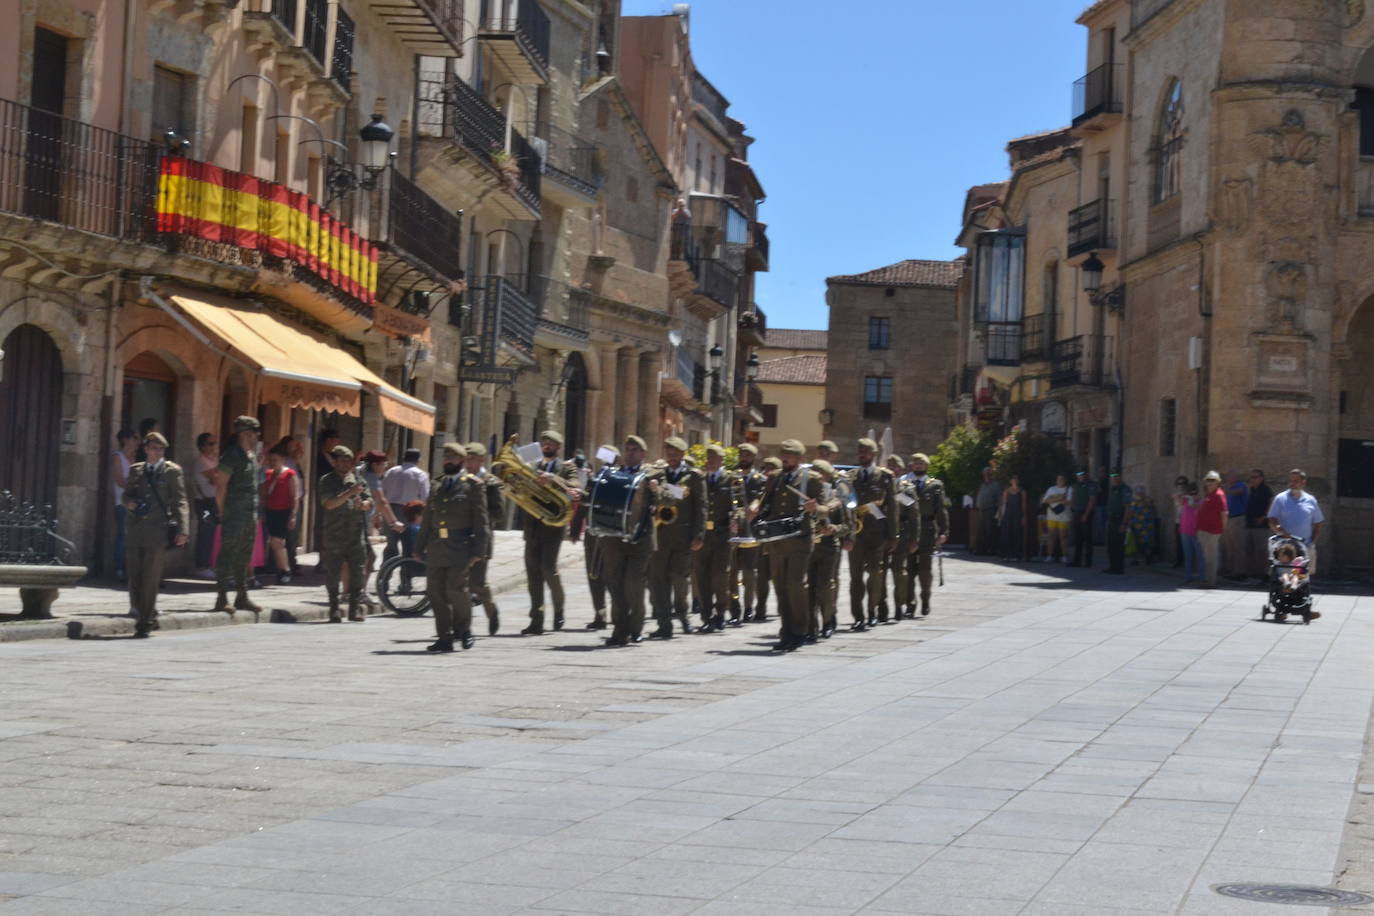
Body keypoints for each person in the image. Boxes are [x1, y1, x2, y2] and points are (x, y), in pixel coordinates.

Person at [416, 443, 489, 652]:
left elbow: (481, 521)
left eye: (453, 458)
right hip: (437, 546)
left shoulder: (473, 485)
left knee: (457, 590)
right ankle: (444, 636)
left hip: (460, 547)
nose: (448, 461)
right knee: (435, 592)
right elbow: (428, 519)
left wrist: (479, 551)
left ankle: (464, 630)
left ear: (462, 461)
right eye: (446, 457)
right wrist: (419, 547)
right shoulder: (437, 485)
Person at [751, 439, 822, 651]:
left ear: (800, 458)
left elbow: (826, 505)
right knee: (781, 587)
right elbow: (764, 501)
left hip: (800, 540)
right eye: (783, 454)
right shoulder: (774, 477)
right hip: (777, 541)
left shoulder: (812, 478)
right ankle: (786, 631)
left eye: (789, 455)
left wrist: (815, 508)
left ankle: (800, 630)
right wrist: (754, 508)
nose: (785, 458)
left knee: (796, 585)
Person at [121, 432, 190, 638]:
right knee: (135, 574)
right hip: (135, 529)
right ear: (146, 449)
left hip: (157, 531)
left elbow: (180, 501)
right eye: (153, 448)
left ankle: (145, 622)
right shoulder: (137, 470)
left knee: (151, 576)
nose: (156, 452)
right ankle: (143, 611)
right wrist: (129, 503)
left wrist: (183, 529)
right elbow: (126, 495)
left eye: (160, 449)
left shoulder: (172, 472)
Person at [599, 435, 661, 647]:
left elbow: (669, 496)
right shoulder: (613, 473)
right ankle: (619, 630)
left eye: (635, 450)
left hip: (640, 537)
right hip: (614, 537)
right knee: (615, 585)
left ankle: (635, 627)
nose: (630, 453)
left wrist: (656, 490)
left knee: (633, 585)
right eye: (627, 449)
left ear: (643, 454)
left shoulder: (653, 474)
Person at [517, 430, 580, 635]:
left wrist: (553, 479)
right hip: (532, 526)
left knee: (548, 569)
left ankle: (559, 608)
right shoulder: (532, 466)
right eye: (544, 442)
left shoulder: (567, 468)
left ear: (558, 447)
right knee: (533, 574)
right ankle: (536, 619)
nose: (546, 445)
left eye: (551, 443)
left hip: (553, 526)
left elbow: (576, 488)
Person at [647, 436, 705, 639]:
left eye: (675, 454)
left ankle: (683, 615)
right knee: (658, 581)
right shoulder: (657, 474)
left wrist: (699, 534)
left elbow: (699, 505)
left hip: (683, 536)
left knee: (679, 578)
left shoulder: (693, 476)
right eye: (668, 453)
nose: (671, 457)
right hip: (660, 536)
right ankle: (664, 624)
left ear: (682, 455)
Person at [846, 437, 897, 630]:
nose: (862, 455)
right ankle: (858, 615)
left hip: (877, 534)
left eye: (866, 452)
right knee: (855, 576)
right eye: (860, 452)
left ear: (874, 454)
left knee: (876, 574)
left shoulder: (885, 477)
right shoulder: (851, 476)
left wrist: (893, 535)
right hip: (856, 534)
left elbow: (892, 508)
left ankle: (872, 611)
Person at [214, 416, 263, 615]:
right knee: (228, 554)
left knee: (244, 556)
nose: (257, 437)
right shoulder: (231, 455)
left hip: (249, 514)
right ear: (245, 434)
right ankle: (222, 597)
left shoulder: (250, 455)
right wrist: (222, 512)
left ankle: (242, 596)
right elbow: (220, 487)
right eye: (254, 433)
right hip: (234, 514)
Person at [317, 445, 371, 622]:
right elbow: (329, 504)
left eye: (349, 461)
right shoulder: (327, 480)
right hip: (334, 534)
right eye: (342, 460)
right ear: (335, 461)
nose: (346, 464)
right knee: (332, 572)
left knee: (358, 571)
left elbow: (368, 500)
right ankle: (334, 608)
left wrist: (363, 505)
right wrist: (349, 493)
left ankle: (354, 609)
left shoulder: (358, 479)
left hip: (355, 534)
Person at [461, 442, 505, 635]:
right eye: (466, 459)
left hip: (480, 538)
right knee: (457, 582)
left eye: (472, 460)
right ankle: (462, 626)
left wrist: (479, 517)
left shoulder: (491, 482)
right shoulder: (458, 479)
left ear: (482, 460)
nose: (468, 463)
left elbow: (499, 513)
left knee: (477, 583)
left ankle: (491, 610)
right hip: (458, 538)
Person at [693, 444, 736, 633]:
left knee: (719, 576)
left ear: (721, 461)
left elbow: (738, 506)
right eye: (708, 458)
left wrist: (736, 520)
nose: (710, 462)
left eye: (714, 459)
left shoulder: (730, 480)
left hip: (721, 535)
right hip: (702, 535)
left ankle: (720, 613)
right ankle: (706, 616)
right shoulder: (699, 479)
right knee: (701, 577)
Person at [808, 460, 851, 638]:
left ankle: (828, 620)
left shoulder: (835, 497)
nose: (816, 477)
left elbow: (847, 525)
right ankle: (811, 625)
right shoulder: (807, 496)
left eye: (819, 474)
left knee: (825, 585)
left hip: (828, 547)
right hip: (809, 547)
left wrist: (833, 529)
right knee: (809, 587)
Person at [577, 445, 618, 630]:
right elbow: (585, 504)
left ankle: (620, 611)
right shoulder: (594, 479)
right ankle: (600, 613)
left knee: (611, 575)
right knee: (593, 574)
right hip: (593, 532)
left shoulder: (620, 478)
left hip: (611, 533)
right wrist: (575, 530)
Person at [732, 443, 769, 623]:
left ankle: (748, 608)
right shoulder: (731, 477)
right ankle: (733, 609)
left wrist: (756, 507)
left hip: (751, 532)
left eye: (747, 455)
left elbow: (764, 501)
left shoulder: (759, 479)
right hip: (732, 531)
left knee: (748, 573)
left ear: (753, 458)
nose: (743, 458)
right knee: (731, 573)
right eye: (742, 455)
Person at [908, 453, 948, 616]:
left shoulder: (935, 485)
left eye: (921, 464)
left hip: (927, 530)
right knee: (908, 570)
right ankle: (910, 603)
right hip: (909, 531)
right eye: (915, 463)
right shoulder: (905, 484)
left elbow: (941, 510)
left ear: (926, 466)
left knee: (925, 570)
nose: (918, 466)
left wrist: (944, 531)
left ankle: (925, 600)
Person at [1267, 468, 1325, 575]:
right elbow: (1272, 519)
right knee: (1284, 574)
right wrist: (1281, 531)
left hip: (1304, 546)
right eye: (1290, 481)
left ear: (1303, 482)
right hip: (1285, 546)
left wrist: (1312, 541)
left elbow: (1318, 523)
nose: (1292, 484)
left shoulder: (1311, 500)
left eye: (1295, 481)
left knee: (1302, 575)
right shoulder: (1280, 499)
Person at [260, 445, 300, 585]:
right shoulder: (268, 474)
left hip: (284, 511)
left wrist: (293, 515)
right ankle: (280, 569)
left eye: (275, 459)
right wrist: (263, 511)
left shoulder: (290, 474)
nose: (272, 462)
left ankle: (285, 570)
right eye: (270, 460)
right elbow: (264, 494)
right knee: (274, 543)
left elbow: (294, 496)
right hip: (271, 511)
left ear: (283, 460)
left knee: (277, 542)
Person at [381, 448, 430, 562]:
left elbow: (383, 493)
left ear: (404, 459)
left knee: (391, 546)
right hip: (411, 512)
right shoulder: (421, 474)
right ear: (418, 460)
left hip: (391, 511)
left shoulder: (391, 471)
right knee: (409, 547)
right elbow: (425, 497)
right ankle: (405, 577)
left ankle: (385, 576)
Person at [190, 432, 220, 578]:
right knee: (205, 533)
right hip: (204, 502)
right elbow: (216, 480)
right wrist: (216, 473)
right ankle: (201, 566)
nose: (214, 446)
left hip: (212, 501)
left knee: (210, 533)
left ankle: (207, 564)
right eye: (211, 443)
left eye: (215, 443)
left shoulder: (212, 460)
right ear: (202, 446)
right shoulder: (202, 461)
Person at [111, 428, 138, 581]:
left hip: (134, 503)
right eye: (134, 438)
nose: (136, 441)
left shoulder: (134, 458)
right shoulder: (118, 457)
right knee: (122, 535)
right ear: (125, 440)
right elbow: (119, 480)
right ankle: (119, 569)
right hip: (122, 502)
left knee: (133, 537)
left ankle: (130, 568)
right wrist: (135, 485)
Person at [1196, 470, 1228, 588]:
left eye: (1212, 480)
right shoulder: (1209, 494)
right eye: (1208, 480)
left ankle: (1211, 582)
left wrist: (1222, 529)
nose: (1210, 483)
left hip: (1212, 531)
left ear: (1218, 482)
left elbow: (1224, 513)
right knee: (1207, 557)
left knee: (1211, 557)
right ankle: (1208, 580)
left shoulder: (1218, 495)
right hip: (1204, 530)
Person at [1245, 469, 1275, 580]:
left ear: (1261, 478)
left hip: (1261, 526)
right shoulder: (1252, 489)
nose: (1252, 480)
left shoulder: (1266, 490)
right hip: (1249, 524)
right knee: (1250, 550)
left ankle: (1264, 575)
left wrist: (1264, 517)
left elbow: (1271, 502)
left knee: (1261, 551)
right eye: (1251, 477)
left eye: (1255, 477)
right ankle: (1252, 574)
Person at [1103, 470, 1133, 574]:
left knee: (1118, 545)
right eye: (1112, 475)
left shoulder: (1125, 490)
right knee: (1111, 545)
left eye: (1116, 475)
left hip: (1120, 519)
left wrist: (1124, 523)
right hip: (1111, 519)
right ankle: (1112, 566)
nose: (1114, 478)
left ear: (1120, 476)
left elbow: (1128, 508)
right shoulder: (1112, 489)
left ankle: (1119, 568)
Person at [1068, 470, 1098, 568]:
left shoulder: (1091, 485)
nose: (1080, 476)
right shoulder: (1075, 485)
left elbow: (1092, 500)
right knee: (1077, 538)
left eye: (1082, 474)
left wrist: (1086, 514)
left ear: (1086, 475)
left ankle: (1088, 562)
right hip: (1076, 513)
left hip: (1086, 513)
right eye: (1079, 474)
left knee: (1087, 538)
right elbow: (1072, 498)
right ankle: (1077, 561)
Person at [1222, 470, 1249, 580]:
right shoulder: (1229, 489)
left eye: (1231, 476)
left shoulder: (1240, 485)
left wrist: (1226, 490)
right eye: (1228, 477)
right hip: (1229, 519)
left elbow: (1240, 491)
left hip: (1238, 518)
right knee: (1229, 546)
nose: (1229, 478)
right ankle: (1231, 570)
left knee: (1238, 546)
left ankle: (1240, 571)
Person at [1176, 481, 1202, 583]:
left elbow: (1195, 506)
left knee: (1199, 555)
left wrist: (1192, 499)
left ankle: (1202, 577)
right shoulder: (1185, 500)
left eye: (1194, 493)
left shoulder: (1200, 501)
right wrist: (1181, 495)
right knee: (1188, 555)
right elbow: (1176, 499)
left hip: (1196, 531)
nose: (1192, 495)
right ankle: (1188, 576)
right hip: (1184, 530)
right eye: (1190, 492)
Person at [998, 475, 1029, 562]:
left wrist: (1024, 516)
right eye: (1013, 479)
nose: (1014, 481)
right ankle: (1005, 554)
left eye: (1016, 479)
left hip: (1018, 514)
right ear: (1010, 481)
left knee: (1017, 534)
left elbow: (1024, 505)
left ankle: (1017, 555)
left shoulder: (1022, 491)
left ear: (1018, 481)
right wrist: (1001, 514)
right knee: (1006, 534)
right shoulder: (1007, 491)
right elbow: (1003, 503)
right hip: (1008, 514)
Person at [1124, 485, 1157, 566]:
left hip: (1138, 525)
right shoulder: (1149, 500)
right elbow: (1155, 511)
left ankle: (1137, 559)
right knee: (1146, 542)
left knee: (1136, 543)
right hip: (1147, 525)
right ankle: (1148, 558)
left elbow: (1130, 512)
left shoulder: (1134, 501)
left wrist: (1127, 522)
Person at [1042, 473, 1070, 563]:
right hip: (1051, 516)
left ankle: (1064, 556)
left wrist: (1053, 498)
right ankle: (1049, 556)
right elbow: (1045, 500)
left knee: (1063, 537)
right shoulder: (1051, 489)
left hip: (1064, 516)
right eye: (1058, 479)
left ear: (1065, 480)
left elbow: (1068, 502)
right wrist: (1059, 498)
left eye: (1062, 479)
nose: (1060, 481)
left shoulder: (1069, 489)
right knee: (1051, 536)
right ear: (1056, 480)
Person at [974, 468, 1001, 556]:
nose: (986, 476)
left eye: (988, 474)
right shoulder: (982, 485)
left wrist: (998, 510)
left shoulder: (995, 485)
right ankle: (981, 550)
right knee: (981, 531)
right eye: (985, 474)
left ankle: (992, 550)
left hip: (991, 510)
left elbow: (999, 498)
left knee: (991, 530)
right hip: (981, 510)